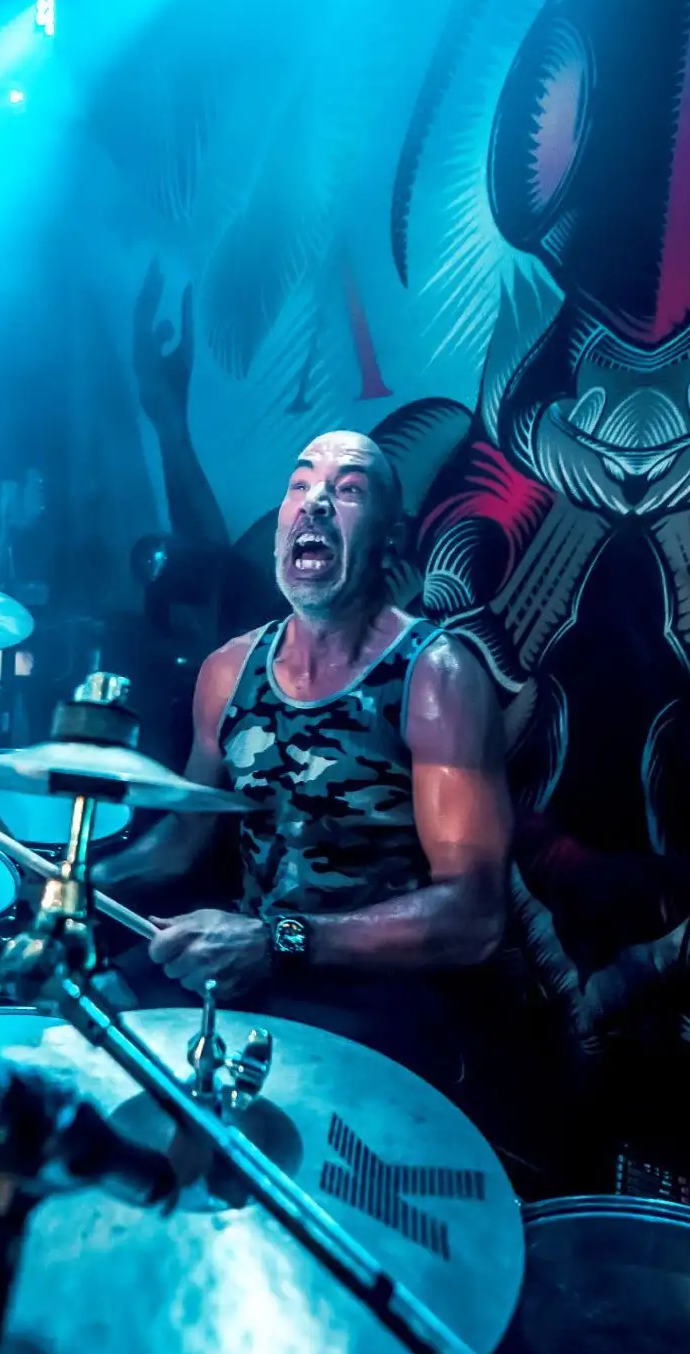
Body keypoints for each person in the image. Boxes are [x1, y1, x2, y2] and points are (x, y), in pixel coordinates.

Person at [95, 430, 562, 1183]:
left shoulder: (435, 675)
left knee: (269, 1158)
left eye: (347, 490)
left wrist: (273, 940)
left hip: (380, 992)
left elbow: (473, 917)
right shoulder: (228, 670)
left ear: (388, 537)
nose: (314, 501)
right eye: (300, 484)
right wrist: (83, 876)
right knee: (80, 1023)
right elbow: (183, 837)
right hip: (248, 965)